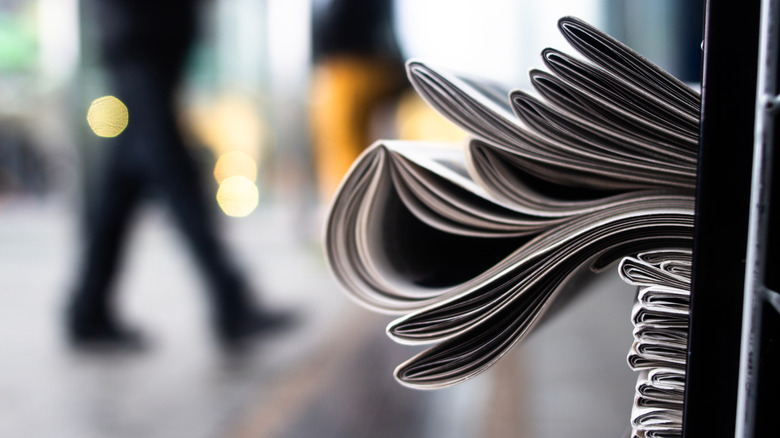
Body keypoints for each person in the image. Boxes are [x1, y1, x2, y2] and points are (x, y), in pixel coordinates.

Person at [67, 0, 292, 349]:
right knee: (177, 177)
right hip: (140, 40)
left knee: (122, 186)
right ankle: (230, 299)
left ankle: (88, 310)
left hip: (147, 41)